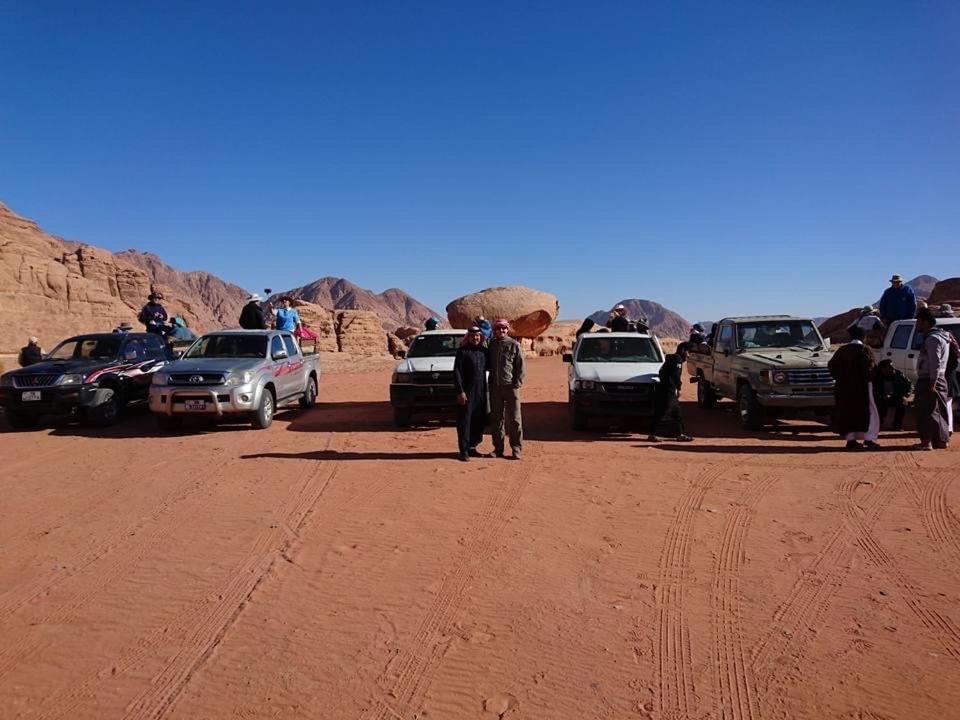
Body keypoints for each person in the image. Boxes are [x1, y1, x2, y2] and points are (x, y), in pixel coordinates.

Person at [828, 326, 880, 450]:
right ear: (863, 337)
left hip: (844, 388)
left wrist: (841, 378)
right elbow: (870, 370)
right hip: (863, 389)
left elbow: (832, 366)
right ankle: (869, 439)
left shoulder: (842, 350)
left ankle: (851, 441)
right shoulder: (866, 350)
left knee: (847, 412)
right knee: (869, 412)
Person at [914, 309, 951, 450]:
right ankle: (941, 441)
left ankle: (926, 442)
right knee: (939, 410)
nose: (917, 324)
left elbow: (935, 362)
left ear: (926, 322)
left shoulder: (932, 339)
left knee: (925, 410)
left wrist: (932, 381)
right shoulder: (943, 336)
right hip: (939, 377)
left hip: (929, 379)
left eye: (919, 321)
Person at [489, 319, 525, 459]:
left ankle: (516, 448)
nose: (502, 331)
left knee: (515, 419)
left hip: (511, 387)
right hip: (495, 387)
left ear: (507, 329)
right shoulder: (491, 345)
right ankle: (498, 449)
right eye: (499, 328)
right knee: (497, 419)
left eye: (504, 328)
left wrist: (517, 382)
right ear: (495, 330)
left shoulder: (514, 344)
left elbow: (520, 366)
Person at [453, 326, 490, 461]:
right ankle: (463, 450)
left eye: (478, 336)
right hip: (467, 391)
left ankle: (473, 447)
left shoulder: (484, 352)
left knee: (478, 420)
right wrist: (460, 391)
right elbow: (457, 372)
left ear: (481, 337)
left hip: (480, 391)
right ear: (468, 337)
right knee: (465, 421)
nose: (475, 338)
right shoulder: (462, 352)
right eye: (473, 336)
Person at [648, 342, 693, 442]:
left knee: (676, 413)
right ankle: (652, 433)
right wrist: (679, 387)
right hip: (668, 391)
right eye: (688, 352)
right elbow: (675, 376)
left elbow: (662, 372)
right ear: (683, 350)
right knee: (662, 411)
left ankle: (679, 434)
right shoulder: (677, 359)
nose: (688, 355)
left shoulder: (671, 359)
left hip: (667, 389)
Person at [872, 360, 911, 431]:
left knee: (902, 402)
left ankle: (897, 425)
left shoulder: (898, 374)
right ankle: (878, 425)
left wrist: (908, 393)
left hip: (896, 396)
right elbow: (874, 389)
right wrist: (882, 396)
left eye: (892, 365)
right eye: (889, 367)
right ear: (883, 369)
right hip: (881, 397)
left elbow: (909, 384)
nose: (893, 368)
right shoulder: (877, 377)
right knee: (880, 404)